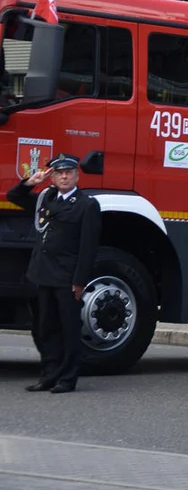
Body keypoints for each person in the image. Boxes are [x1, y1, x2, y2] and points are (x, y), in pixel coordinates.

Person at [6, 153, 102, 393]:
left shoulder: (86, 204)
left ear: (77, 175)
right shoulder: (46, 198)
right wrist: (31, 181)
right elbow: (13, 196)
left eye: (69, 172)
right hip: (41, 274)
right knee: (44, 327)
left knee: (68, 329)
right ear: (53, 177)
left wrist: (80, 280)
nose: (65, 176)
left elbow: (88, 247)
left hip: (66, 277)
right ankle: (49, 375)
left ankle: (67, 378)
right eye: (59, 173)